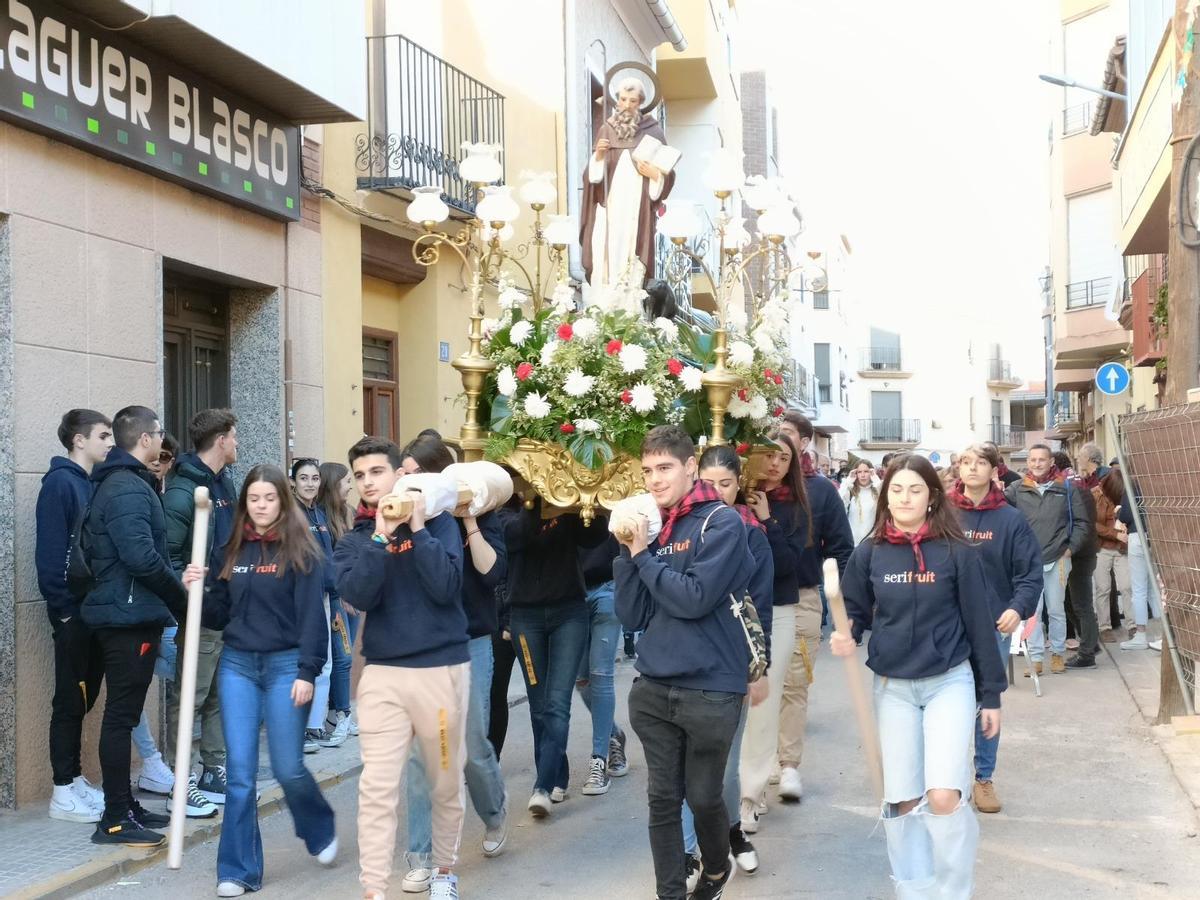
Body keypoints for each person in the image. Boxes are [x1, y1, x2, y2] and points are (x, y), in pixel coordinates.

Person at [832, 453, 1006, 898]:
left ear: (932, 497)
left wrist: (992, 695)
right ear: (884, 495)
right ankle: (915, 891)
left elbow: (979, 624)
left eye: (915, 489)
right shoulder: (870, 551)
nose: (905, 497)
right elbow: (853, 608)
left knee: (944, 795)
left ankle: (952, 890)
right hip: (893, 687)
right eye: (896, 489)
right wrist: (847, 632)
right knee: (903, 800)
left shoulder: (957, 552)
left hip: (949, 680)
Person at [614, 425, 752, 900]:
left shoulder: (721, 523)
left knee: (703, 796)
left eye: (665, 468)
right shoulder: (651, 526)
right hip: (654, 687)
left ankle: (716, 868)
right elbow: (632, 615)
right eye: (647, 470)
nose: (654, 479)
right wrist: (626, 548)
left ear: (690, 467)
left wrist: (642, 556)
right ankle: (669, 894)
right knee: (662, 799)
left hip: (712, 687)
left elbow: (694, 599)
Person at [184, 465, 337, 896]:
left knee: (288, 767)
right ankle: (237, 870)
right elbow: (217, 616)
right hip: (238, 667)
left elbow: (313, 619)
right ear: (245, 503)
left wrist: (308, 671)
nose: (262, 506)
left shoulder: (301, 551)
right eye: (255, 499)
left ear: (282, 502)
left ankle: (319, 827)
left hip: (287, 666)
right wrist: (197, 588)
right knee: (240, 776)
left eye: (270, 498)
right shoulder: (229, 549)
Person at [335, 436, 467, 900]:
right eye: (360, 476)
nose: (369, 483)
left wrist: (418, 528)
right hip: (383, 674)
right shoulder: (354, 541)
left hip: (441, 668)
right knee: (376, 788)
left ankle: (444, 871)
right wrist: (381, 537)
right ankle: (373, 890)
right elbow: (360, 595)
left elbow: (448, 587)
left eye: (377, 472)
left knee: (445, 779)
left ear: (399, 475)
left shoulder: (440, 524)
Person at [80, 405, 200, 846]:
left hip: (129, 613)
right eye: (159, 433)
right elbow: (140, 557)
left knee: (124, 713)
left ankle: (124, 806)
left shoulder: (127, 483)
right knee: (121, 716)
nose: (161, 441)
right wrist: (180, 598)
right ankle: (114, 818)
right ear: (146, 438)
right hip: (126, 617)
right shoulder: (127, 487)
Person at [399, 434, 510, 890]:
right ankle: (420, 855)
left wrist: (468, 523)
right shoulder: (404, 520)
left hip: (470, 642)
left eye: (412, 475)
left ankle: (494, 811)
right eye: (402, 475)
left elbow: (492, 572)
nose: (405, 483)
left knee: (469, 745)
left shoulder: (482, 513)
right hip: (421, 650)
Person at [947, 443, 1042, 814]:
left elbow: (1029, 574)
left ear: (994, 470)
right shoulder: (943, 514)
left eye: (980, 463)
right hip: (947, 627)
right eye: (965, 462)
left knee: (988, 700)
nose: (971, 469)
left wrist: (1017, 609)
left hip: (992, 628)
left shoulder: (1010, 520)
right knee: (951, 703)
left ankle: (983, 778)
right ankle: (948, 779)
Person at [695, 444, 775, 880]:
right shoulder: (676, 526)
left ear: (737, 485)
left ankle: (731, 834)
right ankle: (699, 848)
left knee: (722, 763)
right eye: (708, 483)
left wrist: (756, 667)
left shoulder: (751, 534)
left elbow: (760, 608)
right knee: (685, 769)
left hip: (731, 662)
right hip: (685, 660)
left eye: (725, 484)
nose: (716, 491)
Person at [505, 494, 607, 817]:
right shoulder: (504, 505)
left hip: (569, 613)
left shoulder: (567, 498)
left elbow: (594, 538)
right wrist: (535, 503)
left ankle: (543, 786)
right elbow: (516, 536)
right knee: (538, 705)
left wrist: (582, 504)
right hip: (525, 617)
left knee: (557, 702)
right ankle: (556, 773)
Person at [771, 413, 854, 808]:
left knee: (794, 684)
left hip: (802, 598)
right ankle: (762, 759)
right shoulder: (750, 490)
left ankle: (788, 763)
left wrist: (841, 601)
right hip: (752, 601)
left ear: (801, 443)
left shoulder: (821, 492)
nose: (776, 450)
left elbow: (842, 548)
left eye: (786, 438)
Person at [38, 409, 114, 824]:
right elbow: (50, 555)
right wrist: (65, 613)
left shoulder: (89, 484)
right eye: (102, 435)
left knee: (85, 697)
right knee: (69, 700)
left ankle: (73, 778)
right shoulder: (60, 485)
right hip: (73, 613)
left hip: (92, 611)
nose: (109, 442)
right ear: (79, 441)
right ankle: (62, 791)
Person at [164, 408, 239, 807]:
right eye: (234, 436)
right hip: (200, 613)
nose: (238, 443)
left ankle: (214, 771)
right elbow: (169, 555)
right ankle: (182, 782)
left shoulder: (222, 482)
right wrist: (188, 586)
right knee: (190, 697)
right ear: (222, 439)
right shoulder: (183, 491)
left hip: (226, 609)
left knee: (216, 696)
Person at [739, 431, 813, 827]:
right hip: (730, 609)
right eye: (765, 455)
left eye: (782, 458)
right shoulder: (728, 498)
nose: (772, 464)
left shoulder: (796, 506)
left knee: (764, 702)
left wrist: (766, 518)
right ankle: (734, 786)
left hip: (779, 608)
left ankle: (750, 795)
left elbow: (787, 566)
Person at [581, 76, 676, 286]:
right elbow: (592, 178)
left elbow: (667, 171)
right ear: (617, 100)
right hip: (611, 204)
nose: (627, 105)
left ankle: (630, 290)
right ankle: (607, 286)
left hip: (637, 206)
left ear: (640, 102)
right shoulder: (606, 129)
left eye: (632, 101)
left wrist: (654, 175)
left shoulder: (653, 132)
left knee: (632, 244)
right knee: (607, 245)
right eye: (623, 99)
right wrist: (598, 157)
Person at [1005, 443, 1087, 676]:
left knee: (1056, 610)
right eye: (1033, 460)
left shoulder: (1066, 488)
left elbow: (1082, 522)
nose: (1037, 464)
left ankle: (1059, 655)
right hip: (1027, 561)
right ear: (1027, 462)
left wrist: (1071, 548)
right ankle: (1037, 658)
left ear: (1051, 462)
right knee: (1032, 612)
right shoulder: (1016, 489)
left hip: (1058, 558)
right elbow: (999, 512)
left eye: (1042, 460)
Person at [289, 459, 341, 753]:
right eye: (304, 478)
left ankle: (315, 724)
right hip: (300, 599)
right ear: (293, 482)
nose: (310, 483)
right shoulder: (292, 514)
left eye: (315, 478)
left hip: (324, 596)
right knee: (303, 661)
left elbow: (328, 558)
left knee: (326, 661)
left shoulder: (319, 513)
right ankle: (299, 729)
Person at [576, 534, 631, 796]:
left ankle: (599, 759)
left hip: (607, 586)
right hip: (570, 589)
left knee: (601, 674)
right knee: (582, 680)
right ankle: (613, 733)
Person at [316, 461, 358, 736]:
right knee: (340, 657)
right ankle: (341, 713)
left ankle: (337, 712)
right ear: (333, 485)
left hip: (352, 596)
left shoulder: (350, 513)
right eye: (346, 481)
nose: (351, 485)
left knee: (346, 655)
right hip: (336, 598)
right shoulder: (321, 518)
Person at [1062, 442, 1105, 668]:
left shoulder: (1078, 493)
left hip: (1081, 554)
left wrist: (1070, 548)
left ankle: (1087, 653)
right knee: (1072, 602)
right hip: (1082, 553)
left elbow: (1083, 527)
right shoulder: (1080, 489)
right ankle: (1090, 642)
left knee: (1080, 603)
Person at [1117, 486, 1163, 651]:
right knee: (1153, 588)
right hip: (1157, 535)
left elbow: (1126, 515)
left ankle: (1141, 634)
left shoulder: (1132, 486)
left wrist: (1118, 512)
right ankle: (1161, 634)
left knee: (1139, 589)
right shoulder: (1155, 483)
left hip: (1137, 535)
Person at [1093, 468, 1130, 642]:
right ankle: (1104, 627)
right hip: (1102, 548)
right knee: (1103, 588)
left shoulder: (1125, 493)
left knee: (1127, 586)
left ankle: (1133, 625)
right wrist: (1115, 534)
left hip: (1122, 549)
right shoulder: (1095, 495)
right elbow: (1092, 524)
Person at [839, 460, 880, 546]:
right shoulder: (850, 491)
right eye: (859, 472)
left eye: (866, 471)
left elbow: (886, 501)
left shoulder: (876, 492)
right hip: (851, 543)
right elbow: (839, 504)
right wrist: (848, 482)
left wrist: (877, 482)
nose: (863, 475)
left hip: (871, 543)